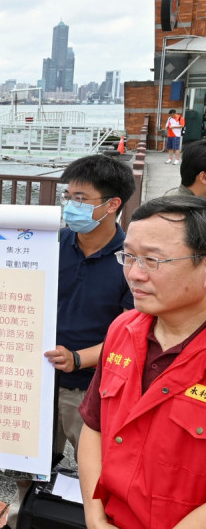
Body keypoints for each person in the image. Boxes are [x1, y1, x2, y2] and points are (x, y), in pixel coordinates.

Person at [79, 195, 206, 528]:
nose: (134, 274)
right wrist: (94, 519)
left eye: (152, 260)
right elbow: (94, 427)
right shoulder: (123, 329)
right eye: (129, 257)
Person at [43, 154, 135, 461]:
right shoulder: (50, 244)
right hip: (38, 380)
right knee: (29, 470)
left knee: (94, 468)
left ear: (112, 204)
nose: (70, 206)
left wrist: (78, 359)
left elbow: (130, 334)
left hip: (90, 389)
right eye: (68, 197)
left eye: (80, 199)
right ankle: (22, 509)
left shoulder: (131, 262)